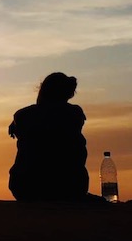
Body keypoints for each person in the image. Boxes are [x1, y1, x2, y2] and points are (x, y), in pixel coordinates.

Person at [7, 72, 90, 201]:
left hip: (24, 188)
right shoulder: (74, 113)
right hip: (68, 188)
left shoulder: (22, 115)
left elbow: (41, 116)